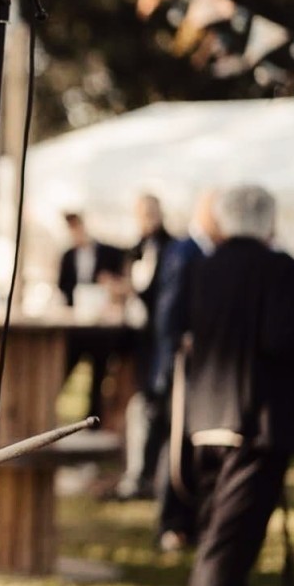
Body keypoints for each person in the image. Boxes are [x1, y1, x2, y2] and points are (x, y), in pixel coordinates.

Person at [181, 184, 294, 586]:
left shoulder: (206, 264)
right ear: (268, 221)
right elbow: (284, 336)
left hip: (206, 416)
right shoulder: (280, 268)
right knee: (231, 545)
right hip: (255, 422)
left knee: (214, 539)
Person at [152, 190, 220, 551]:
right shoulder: (185, 251)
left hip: (201, 369)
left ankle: (190, 521)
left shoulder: (206, 251)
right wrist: (180, 341)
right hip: (180, 367)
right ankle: (171, 523)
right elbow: (168, 312)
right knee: (174, 446)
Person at [114, 194, 176, 501]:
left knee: (155, 406)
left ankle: (149, 473)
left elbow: (160, 297)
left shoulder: (172, 248)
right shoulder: (135, 248)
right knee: (140, 405)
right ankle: (139, 472)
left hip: (159, 340)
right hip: (137, 338)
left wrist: (133, 290)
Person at [58, 212, 124, 420]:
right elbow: (62, 286)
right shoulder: (68, 256)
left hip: (99, 326)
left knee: (98, 376)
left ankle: (94, 420)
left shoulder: (108, 253)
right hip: (75, 325)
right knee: (64, 369)